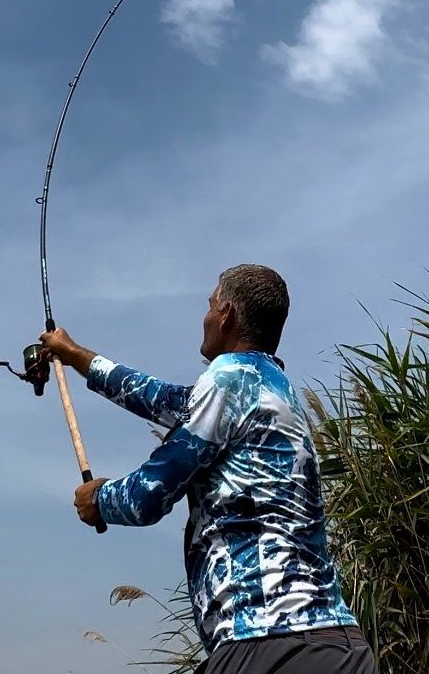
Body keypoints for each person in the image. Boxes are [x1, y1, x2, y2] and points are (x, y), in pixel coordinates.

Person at [39, 264, 377, 674]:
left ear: (227, 314)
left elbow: (151, 494)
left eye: (210, 304)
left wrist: (100, 499)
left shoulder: (228, 378)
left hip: (268, 641)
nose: (205, 316)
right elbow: (160, 398)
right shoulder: (269, 385)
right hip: (338, 646)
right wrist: (77, 356)